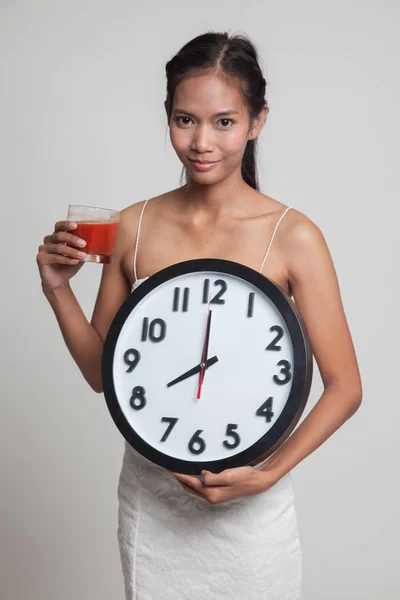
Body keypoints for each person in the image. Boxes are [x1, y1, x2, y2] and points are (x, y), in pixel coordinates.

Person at [36, 31, 362, 600]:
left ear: (258, 121)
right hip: (153, 503)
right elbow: (102, 374)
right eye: (185, 120)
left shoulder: (294, 236)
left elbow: (345, 387)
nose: (202, 142)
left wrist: (267, 473)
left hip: (251, 505)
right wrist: (58, 290)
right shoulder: (134, 226)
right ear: (167, 116)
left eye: (224, 122)